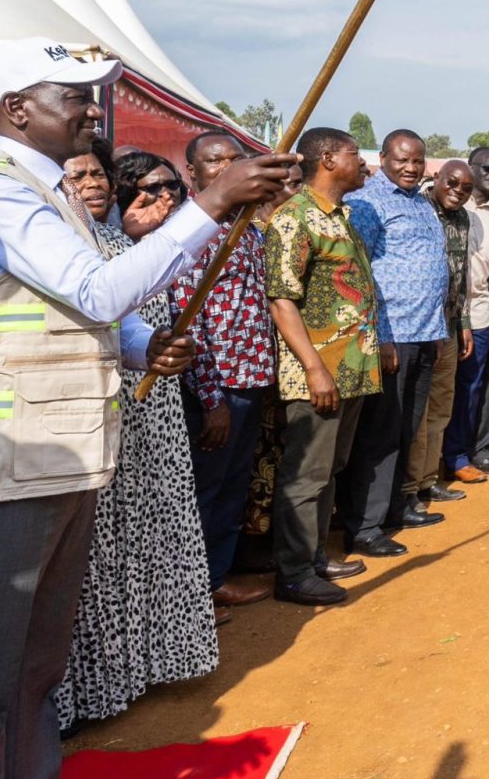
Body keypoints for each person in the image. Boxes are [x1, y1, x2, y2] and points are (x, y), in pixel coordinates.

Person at [0, 37, 294, 779]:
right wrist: (207, 206)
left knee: (36, 656)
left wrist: (135, 345)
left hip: (56, 451)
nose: (88, 106)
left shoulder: (43, 189)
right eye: (67, 93)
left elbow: (76, 308)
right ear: (12, 109)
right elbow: (92, 283)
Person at [52, 150, 221, 726]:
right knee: (98, 560)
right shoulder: (56, 248)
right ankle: (95, 684)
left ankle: (146, 663)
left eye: (97, 172)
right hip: (96, 414)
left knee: (148, 541)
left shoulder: (122, 245)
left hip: (155, 418)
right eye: (76, 175)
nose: (90, 183)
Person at [266, 127, 393, 606]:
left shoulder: (340, 216)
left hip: (352, 367)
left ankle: (316, 556)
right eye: (354, 154)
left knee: (330, 468)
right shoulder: (295, 219)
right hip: (318, 371)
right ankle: (294, 572)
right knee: (306, 475)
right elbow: (282, 300)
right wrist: (315, 368)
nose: (361, 164)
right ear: (326, 159)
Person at [171, 129, 278, 613]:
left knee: (234, 485)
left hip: (252, 377)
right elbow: (187, 323)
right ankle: (195, 592)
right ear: (192, 172)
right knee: (207, 490)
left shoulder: (246, 228)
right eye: (216, 162)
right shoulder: (193, 232)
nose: (229, 167)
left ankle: (218, 577)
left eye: (236, 159)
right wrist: (211, 399)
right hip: (216, 385)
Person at [342, 130, 457, 536]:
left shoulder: (421, 202)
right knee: (381, 433)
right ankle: (366, 526)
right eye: (402, 160)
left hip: (426, 332)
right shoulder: (366, 203)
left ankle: (397, 507)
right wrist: (382, 336)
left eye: (418, 160)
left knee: (408, 427)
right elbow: (360, 273)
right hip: (393, 336)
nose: (410, 168)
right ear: (384, 158)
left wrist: (439, 332)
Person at [442, 148, 489, 482]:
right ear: (471, 167)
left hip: (478, 315)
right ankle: (431, 465)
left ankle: (463, 454)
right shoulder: (446, 202)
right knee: (441, 393)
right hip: (440, 316)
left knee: (473, 388)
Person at [418, 158, 477, 503]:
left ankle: (428, 479)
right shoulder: (419, 209)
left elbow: (462, 272)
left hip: (450, 325)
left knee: (442, 406)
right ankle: (410, 486)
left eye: (466, 189)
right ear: (436, 178)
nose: (458, 193)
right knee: (418, 412)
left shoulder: (462, 217)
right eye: (452, 183)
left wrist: (464, 323)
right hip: (421, 328)